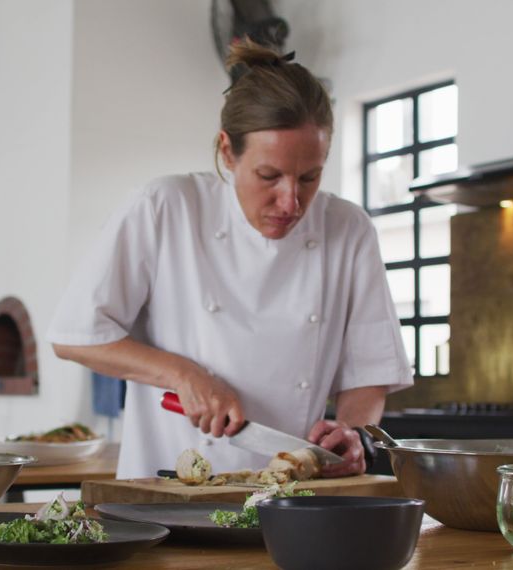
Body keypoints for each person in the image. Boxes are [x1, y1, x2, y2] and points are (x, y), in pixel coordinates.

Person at [47, 39, 411, 479]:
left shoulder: (349, 229)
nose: (291, 201)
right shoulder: (166, 206)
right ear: (227, 151)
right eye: (269, 176)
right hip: (166, 490)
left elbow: (368, 371)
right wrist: (184, 374)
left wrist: (352, 436)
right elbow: (75, 335)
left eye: (309, 177)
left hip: (292, 492)